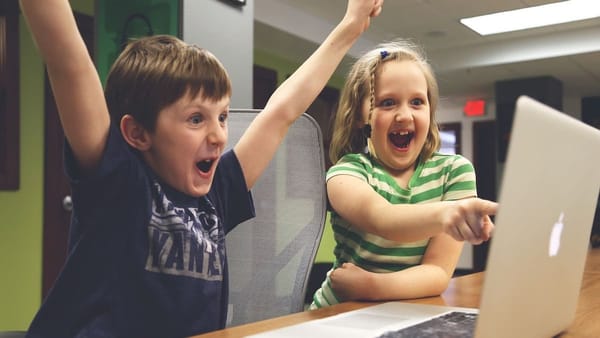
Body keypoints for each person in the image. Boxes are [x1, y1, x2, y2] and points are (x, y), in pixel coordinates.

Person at [19, 0, 383, 336]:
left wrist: (350, 26)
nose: (218, 136)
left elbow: (281, 112)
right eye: (196, 119)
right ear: (136, 133)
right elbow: (68, 64)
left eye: (222, 117)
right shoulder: (118, 180)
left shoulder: (217, 193)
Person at [309, 40, 497, 309]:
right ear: (362, 115)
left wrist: (371, 286)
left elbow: (438, 273)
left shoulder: (455, 172)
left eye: (417, 102)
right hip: (338, 313)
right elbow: (384, 219)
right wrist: (448, 213)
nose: (404, 115)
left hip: (401, 311)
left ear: (430, 110)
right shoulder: (346, 173)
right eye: (387, 102)